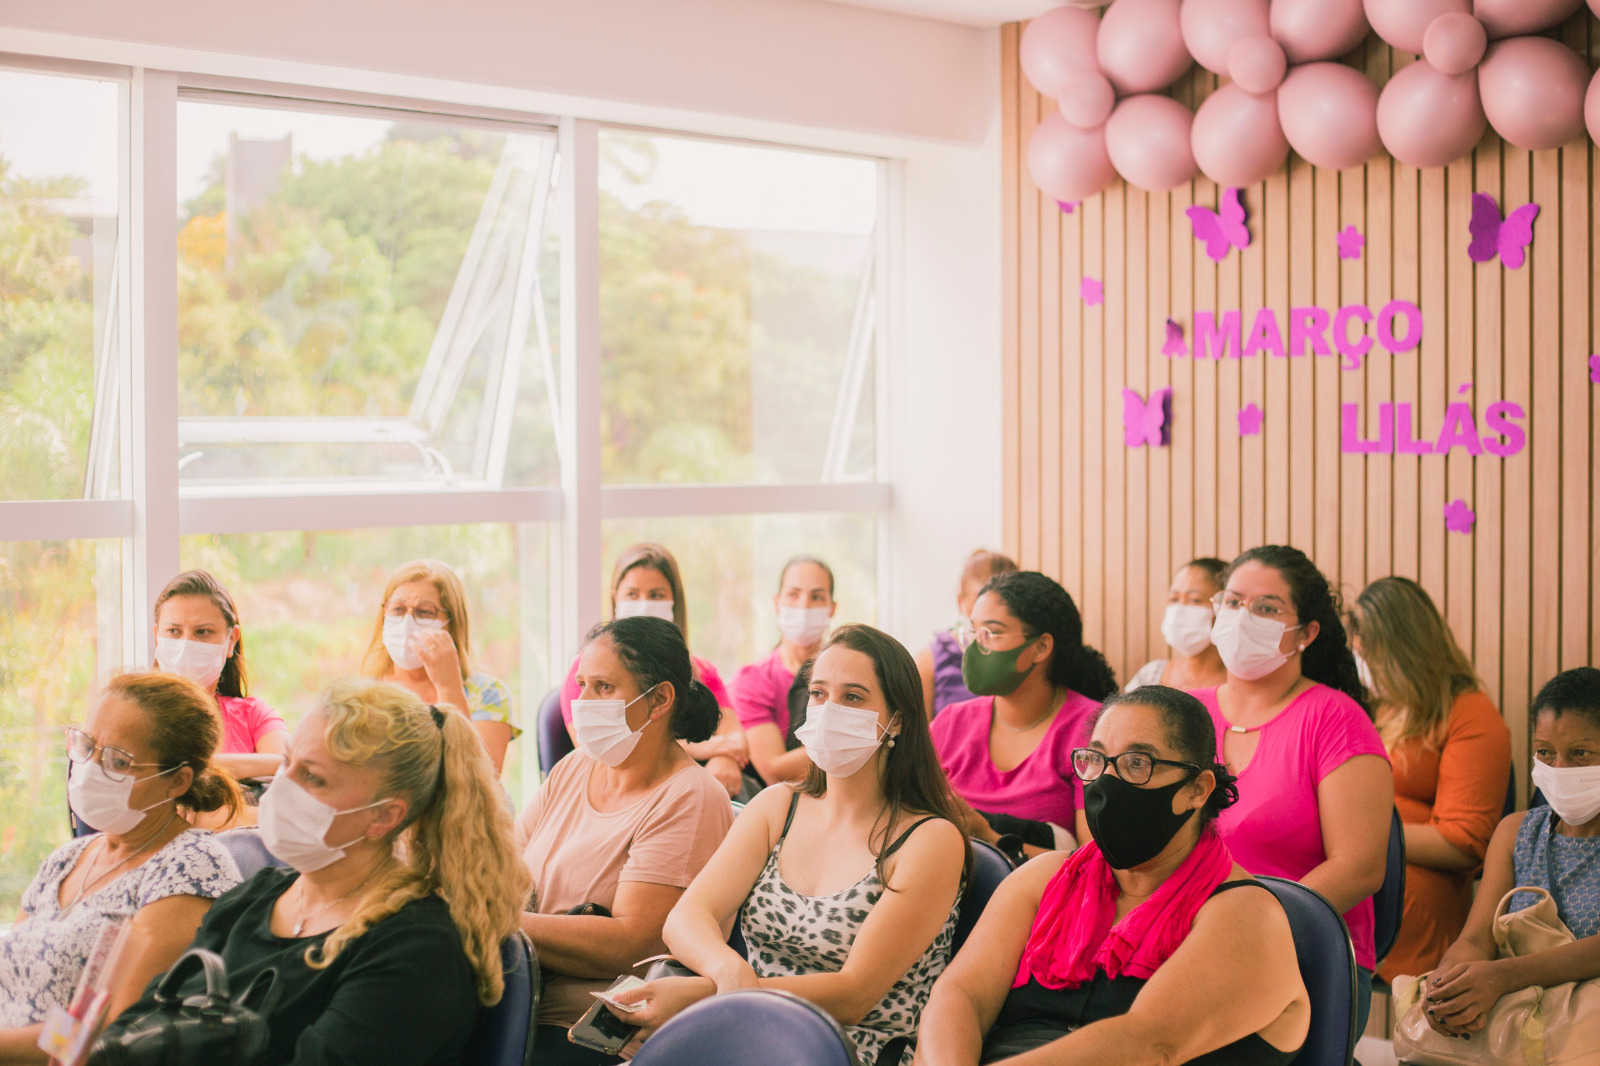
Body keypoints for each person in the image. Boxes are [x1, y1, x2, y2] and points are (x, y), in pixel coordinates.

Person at [106, 677, 530, 1066]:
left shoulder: (419, 949)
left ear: (383, 816)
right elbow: (137, 1027)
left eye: (312, 776)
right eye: (287, 762)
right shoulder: (253, 898)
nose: (281, 786)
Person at [616, 624, 969, 1066]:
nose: (829, 710)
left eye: (853, 697)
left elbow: (854, 994)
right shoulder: (777, 806)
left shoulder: (930, 840)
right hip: (745, 1033)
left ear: (896, 719)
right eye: (819, 694)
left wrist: (708, 994)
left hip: (851, 1050)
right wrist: (726, 971)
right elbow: (686, 917)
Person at [914, 686, 1309, 1066]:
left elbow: (1146, 1045)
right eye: (1096, 759)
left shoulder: (1246, 915)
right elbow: (960, 995)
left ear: (1197, 789)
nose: (1106, 782)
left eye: (1137, 763)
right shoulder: (1043, 879)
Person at [1188, 545, 1391, 1034]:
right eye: (1233, 602)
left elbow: (1359, 867)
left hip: (1302, 953)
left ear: (1306, 633)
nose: (1243, 617)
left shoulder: (1336, 719)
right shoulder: (1181, 714)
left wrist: (1247, 928)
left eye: (1266, 608)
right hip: (1180, 943)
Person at [516, 616, 735, 1066]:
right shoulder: (574, 767)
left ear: (659, 700)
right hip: (519, 997)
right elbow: (503, 867)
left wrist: (501, 923)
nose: (582, 702)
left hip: (592, 1032)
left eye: (604, 687)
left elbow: (631, 944)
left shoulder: (690, 797)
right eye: (582, 685)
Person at [0, 673, 243, 1061]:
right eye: (86, 745)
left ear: (177, 781)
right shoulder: (66, 859)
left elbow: (108, 1031)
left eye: (118, 761)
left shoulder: (189, 870)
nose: (90, 768)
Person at [1347, 576, 1511, 983]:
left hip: (1414, 900)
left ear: (1406, 649)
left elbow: (1464, 843)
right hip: (1356, 869)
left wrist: (1358, 830)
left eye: (1369, 650)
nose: (1359, 658)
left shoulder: (1471, 715)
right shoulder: (1371, 707)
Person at [1422, 667, 1600, 1039]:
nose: (1559, 769)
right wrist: (1447, 986)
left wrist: (1503, 977)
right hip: (1519, 1033)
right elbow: (1476, 940)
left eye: (1580, 754)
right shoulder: (1516, 832)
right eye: (1545, 753)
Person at [930, 570, 1116, 862]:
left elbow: (1095, 862)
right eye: (973, 632)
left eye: (991, 633)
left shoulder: (1094, 729)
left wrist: (987, 836)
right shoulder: (949, 723)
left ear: (1040, 647)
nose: (977, 646)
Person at [559, 544, 749, 797]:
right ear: (615, 599)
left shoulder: (702, 670)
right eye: (632, 594)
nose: (643, 604)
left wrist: (724, 760)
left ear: (674, 601)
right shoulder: (586, 671)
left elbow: (736, 739)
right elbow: (597, 749)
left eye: (656, 595)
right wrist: (701, 749)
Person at [362, 558, 518, 773]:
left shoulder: (489, 694)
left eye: (425, 612)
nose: (407, 622)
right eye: (398, 609)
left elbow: (482, 779)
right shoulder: (363, 696)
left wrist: (449, 687)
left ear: (451, 624)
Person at [153, 569, 290, 785]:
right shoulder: (135, 716)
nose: (186, 643)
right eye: (173, 631)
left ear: (231, 640)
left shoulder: (253, 715)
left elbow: (295, 767)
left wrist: (196, 767)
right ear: (157, 636)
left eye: (202, 632)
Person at [731, 555, 838, 787]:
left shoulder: (848, 672)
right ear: (777, 602)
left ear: (832, 608)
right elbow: (775, 771)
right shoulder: (753, 679)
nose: (804, 605)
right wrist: (851, 740)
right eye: (793, 594)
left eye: (816, 597)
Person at [915, 550, 1019, 718]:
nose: (984, 636)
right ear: (960, 602)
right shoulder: (929, 664)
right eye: (975, 618)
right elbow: (918, 732)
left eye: (996, 628)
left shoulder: (1025, 657)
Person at [1124, 558, 1229, 693]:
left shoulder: (1240, 683)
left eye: (1195, 600)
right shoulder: (1151, 676)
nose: (1179, 609)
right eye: (1174, 599)